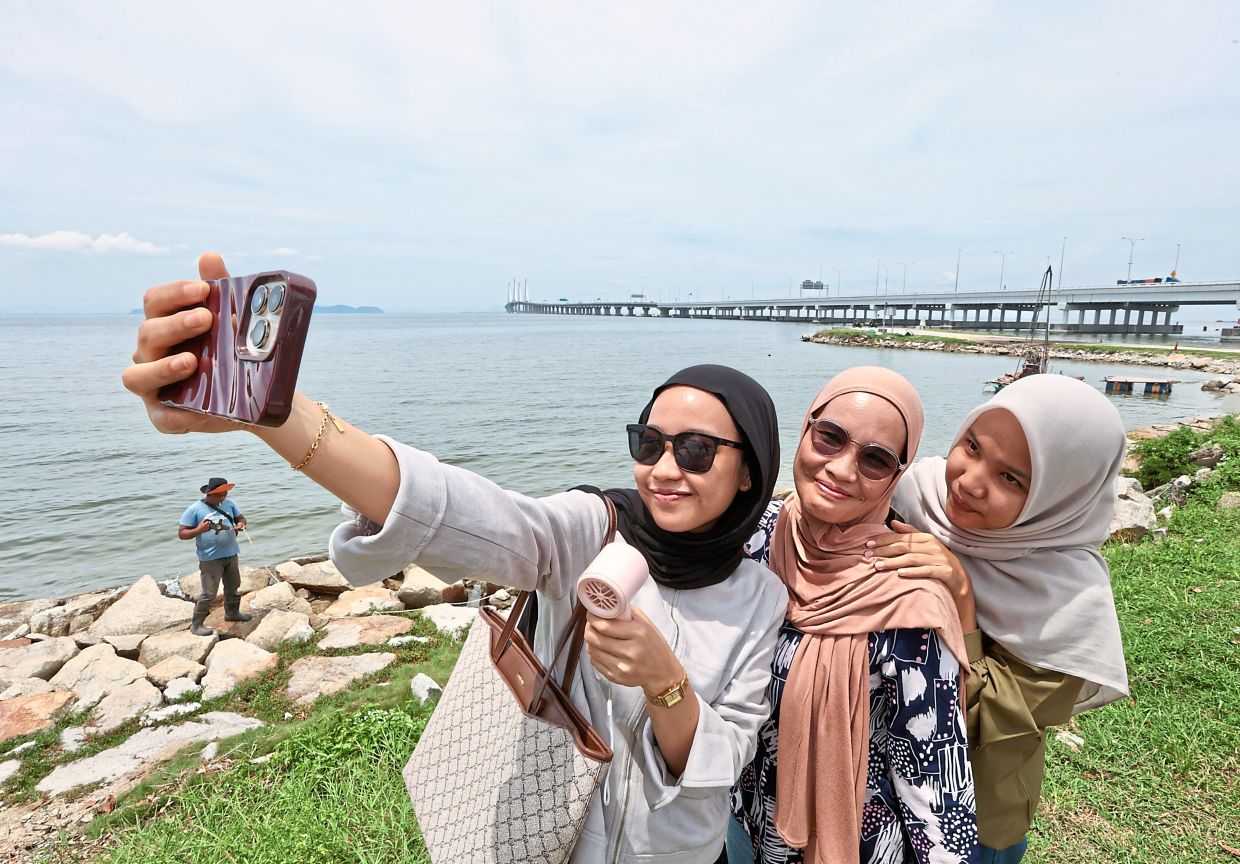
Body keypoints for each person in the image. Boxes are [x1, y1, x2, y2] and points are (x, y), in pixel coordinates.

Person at [124, 253, 789, 864]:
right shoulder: (595, 530)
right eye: (649, 443)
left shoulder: (760, 596)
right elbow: (464, 514)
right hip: (552, 844)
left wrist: (664, 681)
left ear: (750, 473)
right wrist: (274, 414)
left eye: (696, 451)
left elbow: (721, 757)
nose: (664, 469)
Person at [868, 374, 1129, 863]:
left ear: (1062, 495)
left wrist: (961, 595)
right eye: (971, 445)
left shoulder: (1068, 603)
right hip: (871, 788)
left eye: (1011, 478)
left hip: (975, 815)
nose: (968, 482)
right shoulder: (914, 496)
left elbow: (979, 724)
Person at [729, 367, 976, 864]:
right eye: (830, 437)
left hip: (854, 843)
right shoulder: (754, 539)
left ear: (897, 475)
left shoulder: (908, 596)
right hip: (743, 822)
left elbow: (935, 775)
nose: (841, 469)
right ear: (805, 429)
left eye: (875, 460)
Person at [179, 476, 252, 637]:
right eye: (220, 495)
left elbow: (240, 517)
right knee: (209, 593)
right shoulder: (194, 509)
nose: (223, 498)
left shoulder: (229, 504)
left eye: (225, 494)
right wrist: (199, 530)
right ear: (209, 494)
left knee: (233, 586)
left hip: (232, 554)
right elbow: (182, 534)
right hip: (210, 558)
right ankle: (196, 624)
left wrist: (241, 524)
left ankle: (232, 613)